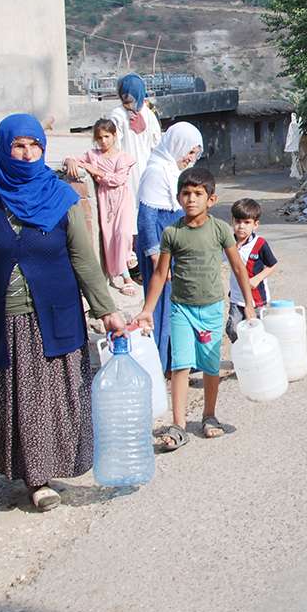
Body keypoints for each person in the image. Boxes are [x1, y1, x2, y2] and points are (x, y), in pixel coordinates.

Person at [0, 115, 125, 511]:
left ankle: (43, 474)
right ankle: (34, 479)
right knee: (16, 400)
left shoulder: (60, 197)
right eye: (18, 146)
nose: (26, 153)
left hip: (54, 317)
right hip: (4, 320)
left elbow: (84, 260)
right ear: (5, 148)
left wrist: (107, 309)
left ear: (43, 149)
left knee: (50, 400)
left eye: (34, 145)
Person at [134, 167, 255, 451]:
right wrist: (147, 309)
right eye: (186, 194)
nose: (191, 199)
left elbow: (238, 267)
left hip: (211, 308)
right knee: (180, 365)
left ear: (211, 199)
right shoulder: (172, 233)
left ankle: (209, 416)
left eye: (198, 194)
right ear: (178, 197)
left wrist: (249, 304)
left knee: (211, 365)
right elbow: (161, 274)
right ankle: (178, 425)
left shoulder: (220, 229)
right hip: (181, 309)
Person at [136, 122, 204, 373]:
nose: (190, 158)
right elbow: (145, 219)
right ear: (177, 145)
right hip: (161, 251)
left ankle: (182, 360)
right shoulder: (156, 171)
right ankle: (159, 363)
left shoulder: (172, 171)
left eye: (195, 153)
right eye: (189, 151)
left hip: (177, 248)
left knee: (183, 306)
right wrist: (156, 259)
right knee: (162, 306)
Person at [63, 118, 137, 294]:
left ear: (114, 136)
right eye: (100, 138)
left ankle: (129, 258)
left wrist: (96, 171)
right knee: (110, 237)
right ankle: (124, 275)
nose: (104, 141)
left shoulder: (122, 157)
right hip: (105, 201)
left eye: (107, 136)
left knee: (123, 233)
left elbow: (118, 179)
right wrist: (71, 161)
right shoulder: (93, 155)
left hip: (121, 198)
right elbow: (72, 158)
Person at [106, 73, 162, 211]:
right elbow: (157, 144)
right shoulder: (149, 114)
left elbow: (111, 145)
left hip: (127, 170)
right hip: (143, 169)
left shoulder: (117, 114)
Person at [226, 197, 279, 343]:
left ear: (255, 224)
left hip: (257, 299)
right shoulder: (228, 244)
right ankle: (242, 355)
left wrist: (257, 278)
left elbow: (272, 265)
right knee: (232, 329)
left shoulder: (260, 244)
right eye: (238, 221)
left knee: (258, 330)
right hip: (236, 298)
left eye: (247, 222)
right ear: (232, 221)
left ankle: (258, 357)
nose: (241, 226)